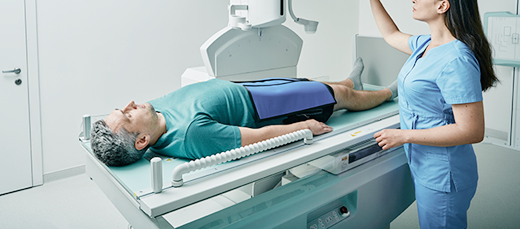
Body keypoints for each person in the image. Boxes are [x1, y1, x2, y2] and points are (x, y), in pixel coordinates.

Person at [359, 0, 498, 229]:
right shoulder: (427, 45)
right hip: (423, 161)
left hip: (443, 170)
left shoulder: (457, 59)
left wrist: (404, 135)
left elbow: (472, 131)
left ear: (442, 6)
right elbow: (391, 35)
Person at [90, 57, 398, 167]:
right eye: (128, 115)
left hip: (250, 90)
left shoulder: (153, 114)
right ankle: (388, 92)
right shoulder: (190, 135)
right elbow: (253, 138)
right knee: (338, 97)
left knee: (311, 83)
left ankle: (349, 81)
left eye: (124, 108)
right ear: (142, 141)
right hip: (267, 108)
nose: (131, 104)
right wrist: (304, 127)